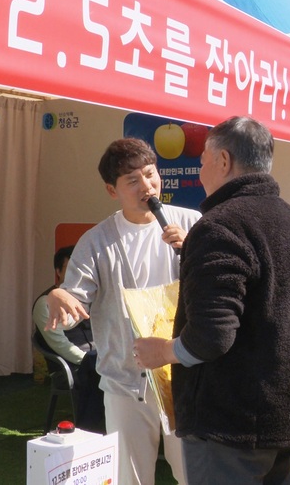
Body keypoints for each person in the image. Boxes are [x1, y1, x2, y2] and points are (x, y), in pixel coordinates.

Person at [132, 116, 290, 485]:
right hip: (287, 414)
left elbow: (212, 336)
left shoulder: (219, 225)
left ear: (224, 161)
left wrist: (162, 352)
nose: (199, 169)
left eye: (203, 160)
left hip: (235, 421)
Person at [47, 138, 201, 485]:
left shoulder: (192, 224)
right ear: (111, 190)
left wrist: (194, 252)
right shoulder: (97, 241)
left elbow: (220, 290)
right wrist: (59, 294)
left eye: (150, 174)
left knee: (194, 474)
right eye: (132, 180)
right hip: (124, 381)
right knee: (130, 477)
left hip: (184, 375)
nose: (147, 186)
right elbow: (75, 299)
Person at [32, 244, 104, 432]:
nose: (77, 274)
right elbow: (59, 345)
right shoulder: (45, 303)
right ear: (58, 271)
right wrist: (90, 360)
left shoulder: (89, 296)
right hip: (72, 365)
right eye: (71, 269)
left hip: (98, 356)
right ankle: (93, 432)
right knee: (103, 369)